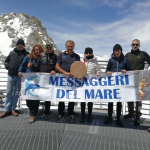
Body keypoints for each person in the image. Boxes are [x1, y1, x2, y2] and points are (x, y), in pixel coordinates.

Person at [103, 44, 132, 127]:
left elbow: (130, 70)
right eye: (116, 51)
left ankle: (118, 119)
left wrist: (125, 71)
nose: (117, 52)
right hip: (112, 84)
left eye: (118, 50)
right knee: (110, 102)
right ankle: (109, 117)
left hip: (121, 85)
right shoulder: (111, 60)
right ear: (114, 51)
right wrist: (107, 72)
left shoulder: (125, 60)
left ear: (121, 51)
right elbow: (107, 69)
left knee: (119, 102)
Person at [0, 39, 29, 118]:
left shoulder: (26, 54)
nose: (20, 46)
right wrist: (7, 66)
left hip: (20, 77)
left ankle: (13, 109)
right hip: (11, 75)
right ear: (17, 45)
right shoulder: (12, 53)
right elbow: (6, 61)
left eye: (21, 45)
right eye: (19, 44)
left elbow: (28, 64)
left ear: (23, 45)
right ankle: (6, 110)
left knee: (16, 93)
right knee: (9, 92)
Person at [124, 39, 150, 126]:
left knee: (138, 98)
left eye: (137, 44)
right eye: (133, 44)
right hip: (130, 79)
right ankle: (130, 113)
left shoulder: (143, 54)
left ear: (139, 45)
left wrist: (147, 72)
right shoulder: (128, 55)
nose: (135, 46)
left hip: (139, 79)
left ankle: (137, 117)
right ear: (131, 45)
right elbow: (123, 63)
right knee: (129, 97)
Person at [29, 43, 57, 121]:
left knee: (48, 97)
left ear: (52, 48)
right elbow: (37, 67)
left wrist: (54, 71)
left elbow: (58, 67)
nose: (48, 49)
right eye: (47, 47)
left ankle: (46, 113)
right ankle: (34, 114)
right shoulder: (41, 56)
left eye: (50, 47)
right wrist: (32, 66)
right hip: (40, 80)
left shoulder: (55, 57)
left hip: (49, 80)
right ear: (45, 48)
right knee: (37, 96)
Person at [18, 44, 44, 123]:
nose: (38, 51)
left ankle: (34, 114)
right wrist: (19, 71)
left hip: (37, 79)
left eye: (39, 49)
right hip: (28, 78)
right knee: (28, 97)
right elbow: (22, 65)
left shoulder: (42, 57)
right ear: (34, 50)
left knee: (35, 97)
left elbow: (43, 67)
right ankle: (31, 110)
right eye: (36, 50)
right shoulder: (29, 56)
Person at [55, 40, 80, 123]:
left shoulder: (77, 56)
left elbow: (79, 67)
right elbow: (57, 66)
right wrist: (65, 73)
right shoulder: (61, 55)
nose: (69, 48)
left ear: (73, 47)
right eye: (68, 46)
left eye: (71, 46)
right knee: (61, 96)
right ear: (66, 47)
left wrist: (79, 75)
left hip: (73, 80)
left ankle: (70, 113)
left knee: (71, 97)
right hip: (63, 79)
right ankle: (60, 113)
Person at [80, 47, 101, 123]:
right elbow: (78, 69)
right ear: (85, 53)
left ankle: (89, 115)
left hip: (91, 83)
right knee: (82, 100)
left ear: (92, 53)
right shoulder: (82, 60)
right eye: (87, 53)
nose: (88, 54)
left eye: (90, 53)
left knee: (90, 100)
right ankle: (82, 115)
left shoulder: (95, 61)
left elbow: (98, 70)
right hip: (83, 82)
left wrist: (98, 72)